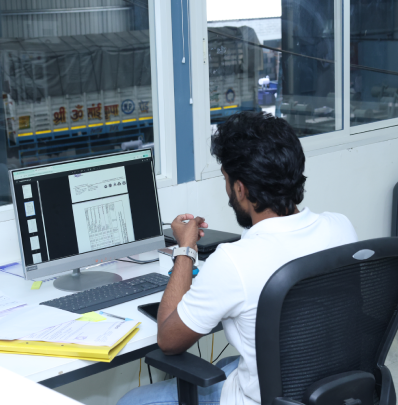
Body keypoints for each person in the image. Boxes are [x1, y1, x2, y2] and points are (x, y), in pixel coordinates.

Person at [117, 112, 358, 405]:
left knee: (131, 400)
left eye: (226, 180)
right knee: (227, 364)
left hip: (261, 399)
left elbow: (168, 340)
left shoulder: (234, 262)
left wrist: (186, 248)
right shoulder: (341, 227)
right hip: (330, 389)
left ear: (241, 188)